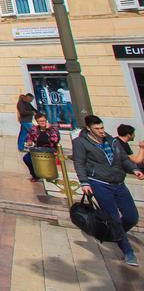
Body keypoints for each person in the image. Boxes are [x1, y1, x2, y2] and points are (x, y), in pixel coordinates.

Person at [72, 115, 144, 266]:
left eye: (102, 127)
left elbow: (124, 159)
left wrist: (134, 169)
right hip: (99, 183)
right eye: (97, 129)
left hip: (118, 182)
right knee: (113, 218)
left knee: (132, 217)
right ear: (89, 129)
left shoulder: (112, 141)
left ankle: (113, 233)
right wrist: (84, 182)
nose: (101, 131)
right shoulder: (80, 143)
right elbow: (79, 163)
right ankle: (127, 251)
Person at [22, 113, 59, 181]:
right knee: (26, 158)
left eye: (44, 120)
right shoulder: (34, 129)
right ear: (37, 122)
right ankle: (35, 175)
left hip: (50, 150)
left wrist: (48, 130)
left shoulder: (53, 128)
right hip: (38, 149)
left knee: (46, 160)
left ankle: (49, 174)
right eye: (40, 121)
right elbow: (29, 137)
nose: (43, 122)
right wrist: (29, 142)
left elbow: (55, 140)